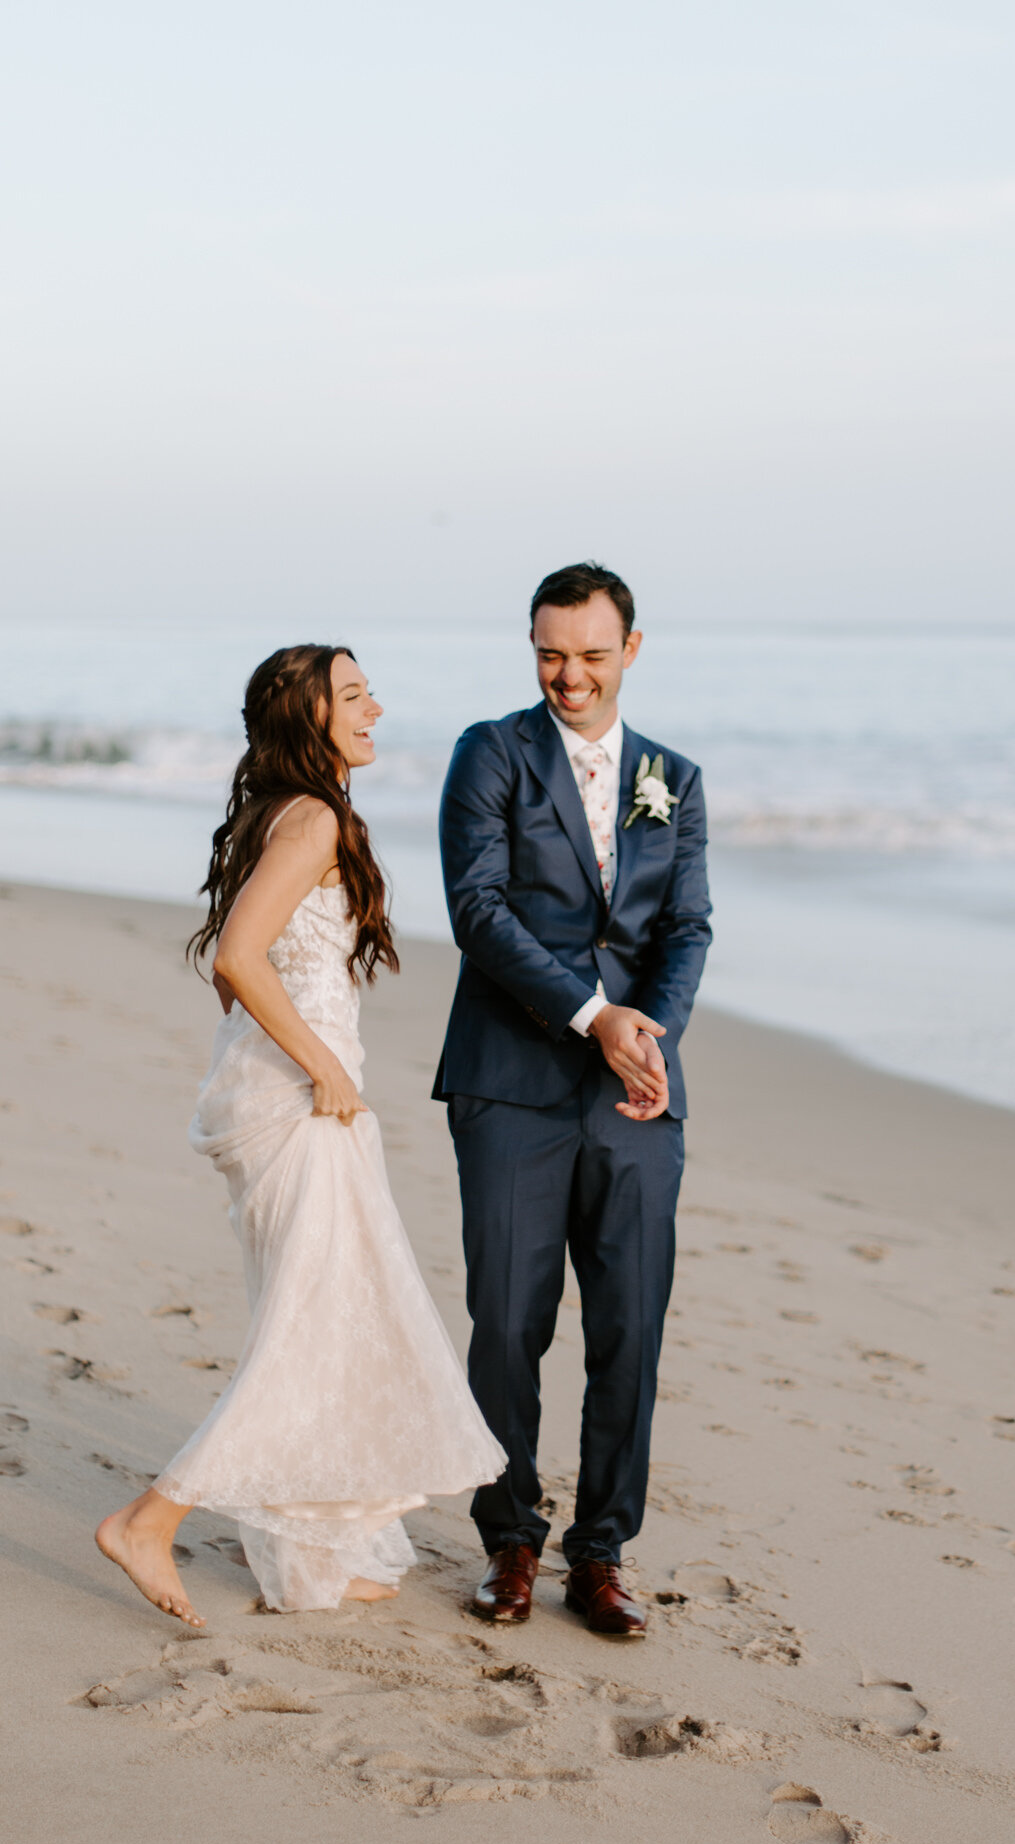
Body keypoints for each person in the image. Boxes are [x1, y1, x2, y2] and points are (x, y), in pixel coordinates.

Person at [96, 645, 504, 1625]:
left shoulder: (276, 811)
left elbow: (235, 965)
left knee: (318, 1319)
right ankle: (150, 1519)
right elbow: (239, 953)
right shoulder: (313, 816)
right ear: (309, 714)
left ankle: (316, 1556)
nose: (374, 707)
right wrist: (321, 1062)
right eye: (353, 693)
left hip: (273, 1089)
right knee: (306, 1331)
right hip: (303, 1099)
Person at [435, 563, 712, 1638]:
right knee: (506, 1318)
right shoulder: (491, 752)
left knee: (629, 1325)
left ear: (630, 649)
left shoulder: (672, 779)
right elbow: (477, 908)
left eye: (592, 655)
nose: (569, 676)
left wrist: (647, 1033)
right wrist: (591, 1013)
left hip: (633, 1088)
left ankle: (600, 1553)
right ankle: (509, 1537)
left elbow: (685, 928)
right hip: (509, 1076)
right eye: (551, 653)